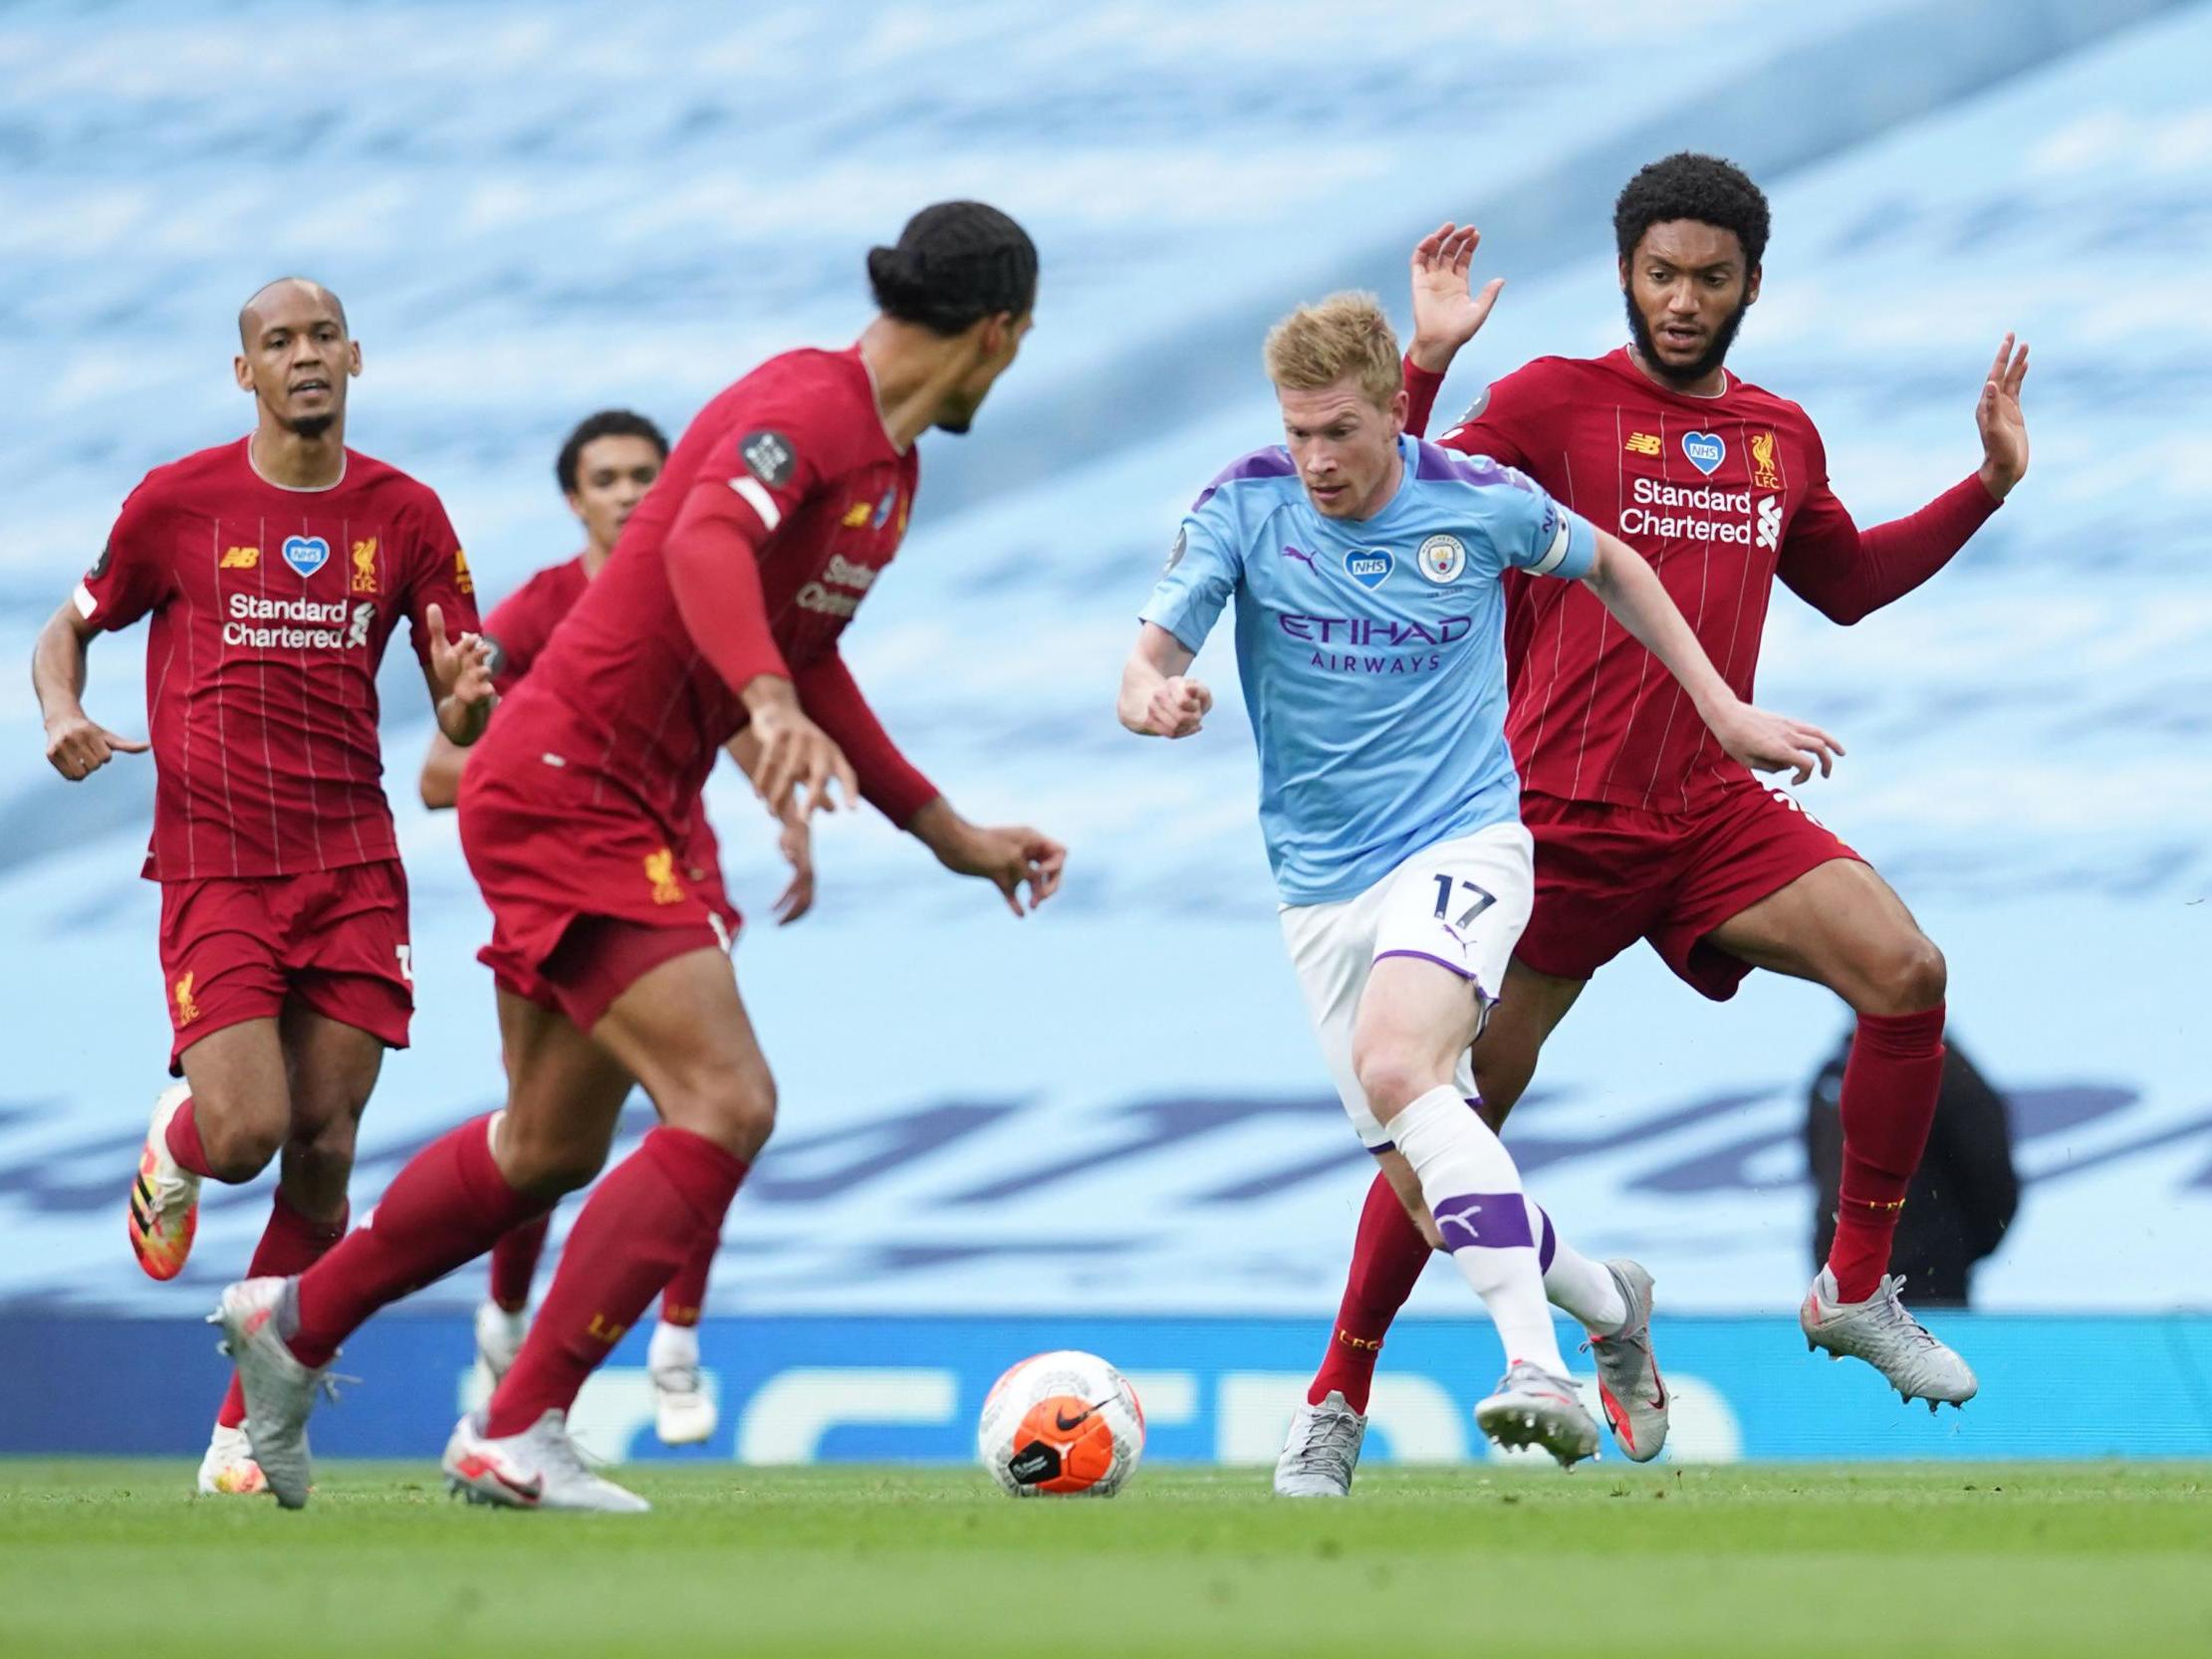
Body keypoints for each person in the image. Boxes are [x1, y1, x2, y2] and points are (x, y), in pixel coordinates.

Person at [218, 201, 1067, 1513]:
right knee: (727, 1102)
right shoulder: (808, 406)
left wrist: (946, 829)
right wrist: (763, 700)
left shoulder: (887, 474)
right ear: (1000, 332)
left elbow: (813, 651)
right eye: (1016, 346)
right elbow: (704, 541)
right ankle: (516, 1426)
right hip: (572, 789)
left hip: (600, 795)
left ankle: (297, 1324)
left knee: (546, 1146)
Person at [1283, 152, 2030, 1492]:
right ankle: (1342, 1385)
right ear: (1624, 273)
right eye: (1660, 274)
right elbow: (1393, 508)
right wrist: (1429, 365)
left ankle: (1854, 1286)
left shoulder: (1778, 435)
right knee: (1443, 1122)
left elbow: (1845, 583)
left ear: (1750, 283)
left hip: (1705, 812)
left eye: (1709, 277)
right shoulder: (1555, 402)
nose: (1682, 300)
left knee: (1905, 970)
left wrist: (1983, 486)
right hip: (1546, 823)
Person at [1118, 291, 1839, 1478]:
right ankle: (1609, 1303)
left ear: (1393, 413)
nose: (1314, 459)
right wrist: (1151, 697)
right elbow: (1147, 657)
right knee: (1426, 1160)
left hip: (1466, 843)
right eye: (1297, 431)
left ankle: (1534, 1367)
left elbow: (1615, 563)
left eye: (1338, 431)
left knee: (1403, 1067)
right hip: (1318, 884)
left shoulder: (1477, 503)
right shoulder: (1243, 503)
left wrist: (1720, 708)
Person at [30, 278, 494, 1496]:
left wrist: (466, 698)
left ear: (356, 357)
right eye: (277, 342)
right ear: (245, 373)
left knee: (326, 1158)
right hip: (218, 860)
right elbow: (67, 625)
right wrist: (64, 708)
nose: (304, 357)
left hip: (352, 864)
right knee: (246, 1136)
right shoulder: (177, 503)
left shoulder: (408, 514)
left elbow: (458, 685)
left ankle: (240, 1428)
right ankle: (173, 1141)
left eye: (322, 337)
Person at [419, 409, 816, 1448]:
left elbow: (723, 711)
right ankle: (506, 1318)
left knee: (707, 1110)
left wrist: (780, 802)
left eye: (648, 471)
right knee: (553, 1133)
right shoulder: (544, 606)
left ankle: (675, 1344)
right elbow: (439, 768)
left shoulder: (697, 584)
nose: (632, 490)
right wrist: (488, 732)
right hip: (567, 881)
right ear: (574, 497)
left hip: (681, 881)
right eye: (608, 477)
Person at [1808, 1025, 2018, 1307]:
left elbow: (1993, 1181)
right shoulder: (1836, 1068)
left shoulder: (1949, 1074)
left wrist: (1946, 1253)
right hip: (1839, 1284)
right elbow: (1820, 1169)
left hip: (1926, 1283)